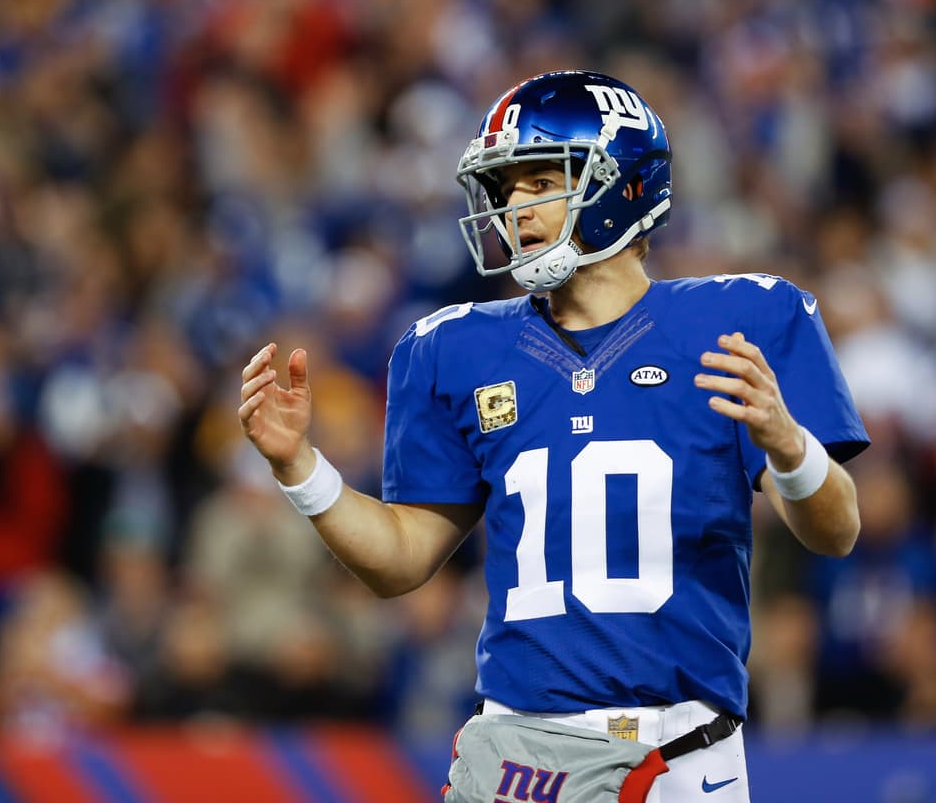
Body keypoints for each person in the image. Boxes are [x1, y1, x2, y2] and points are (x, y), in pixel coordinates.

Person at [238, 70, 869, 801]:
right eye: (505, 191)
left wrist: (790, 448)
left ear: (622, 183)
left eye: (540, 182)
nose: (516, 209)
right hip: (520, 756)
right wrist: (301, 469)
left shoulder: (743, 322)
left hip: (684, 751)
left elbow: (837, 531)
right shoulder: (451, 349)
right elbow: (401, 560)